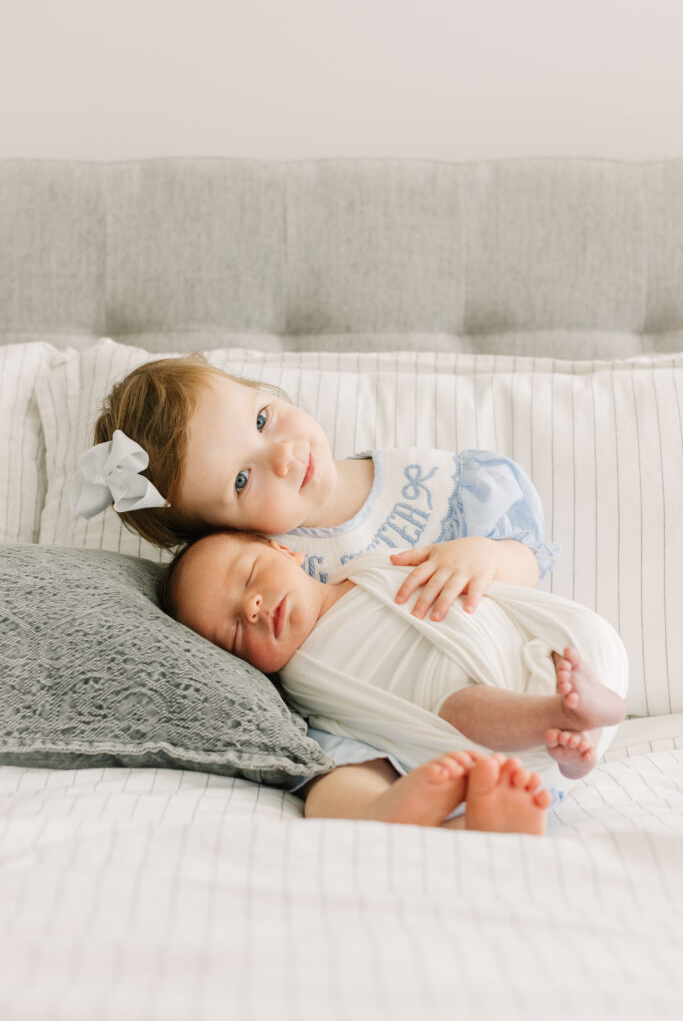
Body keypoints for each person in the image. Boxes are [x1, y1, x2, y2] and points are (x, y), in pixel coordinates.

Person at [69, 355, 563, 830]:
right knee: (332, 776)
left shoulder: (441, 485)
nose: (283, 456)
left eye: (262, 418)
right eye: (242, 480)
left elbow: (528, 573)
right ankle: (400, 807)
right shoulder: (261, 576)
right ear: (225, 532)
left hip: (490, 666)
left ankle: (495, 776)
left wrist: (485, 556)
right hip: (378, 714)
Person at [160, 531, 628, 829]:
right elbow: (357, 738)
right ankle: (566, 738)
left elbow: (503, 581)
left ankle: (578, 722)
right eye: (236, 630)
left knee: (582, 637)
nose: (253, 607)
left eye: (249, 577)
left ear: (284, 549)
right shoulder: (300, 684)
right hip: (485, 723)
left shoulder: (380, 563)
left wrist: (477, 553)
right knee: (459, 708)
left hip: (544, 655)